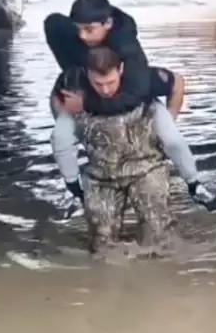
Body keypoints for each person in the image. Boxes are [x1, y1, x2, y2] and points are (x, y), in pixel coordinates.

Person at [46, 0, 216, 211]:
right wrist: (77, 124)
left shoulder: (130, 55)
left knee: (172, 139)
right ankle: (74, 193)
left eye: (89, 30)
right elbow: (53, 25)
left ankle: (195, 185)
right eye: (78, 29)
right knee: (60, 136)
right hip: (86, 97)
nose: (82, 36)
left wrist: (168, 121)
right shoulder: (77, 66)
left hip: (127, 102)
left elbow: (173, 83)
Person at [62, 48, 174, 257]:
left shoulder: (146, 84)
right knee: (103, 242)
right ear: (87, 75)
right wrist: (71, 182)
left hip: (146, 169)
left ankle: (154, 282)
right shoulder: (74, 95)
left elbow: (177, 84)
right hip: (100, 177)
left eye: (110, 82)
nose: (105, 90)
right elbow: (60, 139)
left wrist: (193, 180)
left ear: (121, 69)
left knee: (155, 238)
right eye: (99, 84)